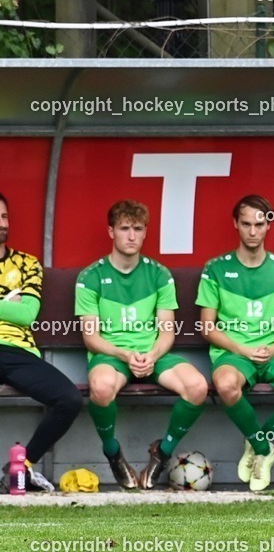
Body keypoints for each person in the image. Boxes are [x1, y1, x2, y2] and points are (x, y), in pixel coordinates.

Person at [76, 200, 209, 490]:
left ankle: (161, 454)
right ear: (111, 231)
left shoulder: (159, 275)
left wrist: (151, 355)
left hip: (153, 354)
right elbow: (91, 337)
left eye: (138, 229)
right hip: (112, 355)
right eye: (124, 228)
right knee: (100, 388)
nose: (131, 236)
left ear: (146, 232)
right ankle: (113, 453)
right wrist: (124, 353)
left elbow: (166, 333)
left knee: (198, 387)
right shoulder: (91, 277)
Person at [196, 195, 274, 492]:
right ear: (236, 225)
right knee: (227, 384)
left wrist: (273, 350)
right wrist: (244, 350)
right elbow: (207, 328)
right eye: (246, 224)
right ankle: (265, 450)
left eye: (259, 224)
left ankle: (258, 438)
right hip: (234, 354)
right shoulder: (215, 269)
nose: (253, 231)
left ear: (269, 226)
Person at [0, 192, 82, 492]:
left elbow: (27, 315)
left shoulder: (26, 263)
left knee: (69, 399)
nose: (1, 223)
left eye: (4, 216)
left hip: (18, 351)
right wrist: (8, 303)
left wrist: (16, 310)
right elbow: (16, 310)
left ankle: (23, 466)